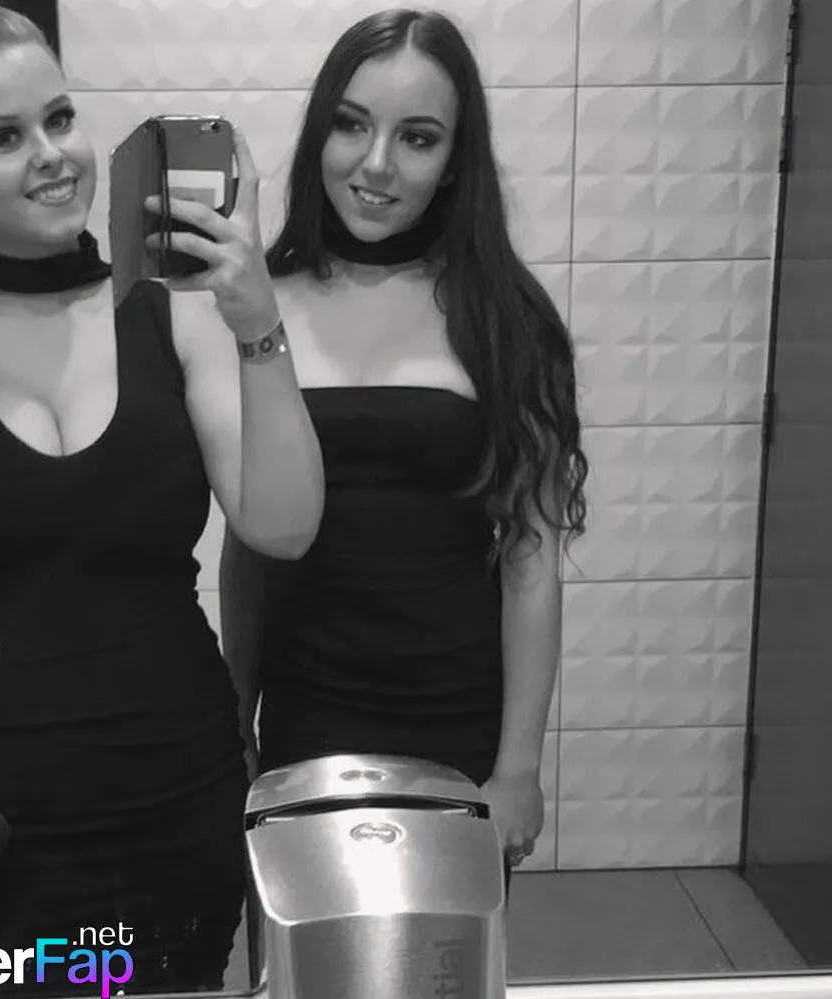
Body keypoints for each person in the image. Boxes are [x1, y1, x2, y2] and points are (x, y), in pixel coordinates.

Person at [0, 4, 322, 995]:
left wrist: (259, 323)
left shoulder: (170, 314)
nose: (51, 154)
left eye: (58, 118)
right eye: (4, 136)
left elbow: (284, 524)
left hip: (172, 789)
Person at [220, 7, 588, 878]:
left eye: (417, 138)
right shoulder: (261, 307)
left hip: (457, 722)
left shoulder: (505, 319)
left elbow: (532, 553)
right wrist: (235, 717)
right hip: (304, 715)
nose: (376, 164)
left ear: (455, 160)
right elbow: (249, 542)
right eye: (352, 125)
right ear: (319, 133)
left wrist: (519, 768)